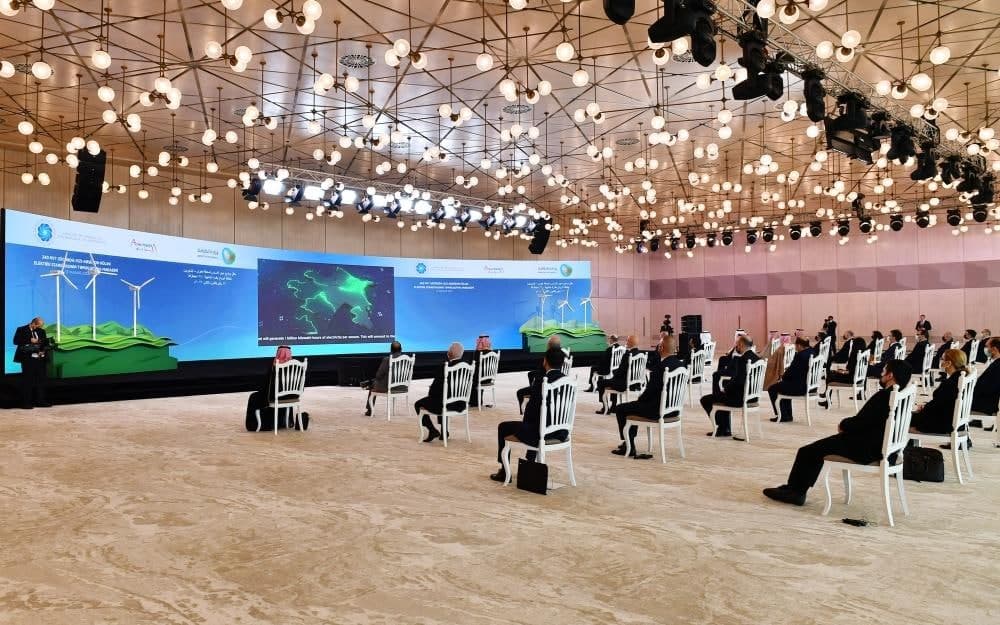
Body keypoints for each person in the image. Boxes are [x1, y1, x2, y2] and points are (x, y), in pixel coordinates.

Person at [762, 360, 913, 506]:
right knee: (814, 449)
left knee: (807, 451)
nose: (881, 373)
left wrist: (844, 424)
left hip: (866, 448)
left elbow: (861, 422)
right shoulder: (901, 396)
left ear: (890, 375)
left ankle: (796, 492)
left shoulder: (884, 396)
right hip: (882, 447)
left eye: (884, 370)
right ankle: (794, 488)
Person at [490, 346, 568, 482]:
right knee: (535, 422)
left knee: (504, 427)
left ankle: (504, 472)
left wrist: (526, 424)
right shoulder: (567, 381)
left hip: (542, 432)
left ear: (545, 361)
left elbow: (532, 409)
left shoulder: (542, 381)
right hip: (561, 431)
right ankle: (530, 460)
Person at [612, 336, 685, 457]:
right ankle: (629, 443)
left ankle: (628, 445)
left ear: (661, 348)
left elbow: (649, 392)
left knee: (621, 409)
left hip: (657, 410)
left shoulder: (660, 367)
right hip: (673, 411)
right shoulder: (681, 366)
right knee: (633, 407)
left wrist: (639, 401)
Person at [700, 335, 761, 438]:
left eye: (737, 344)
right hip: (751, 397)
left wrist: (726, 389)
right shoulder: (756, 358)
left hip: (739, 399)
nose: (736, 346)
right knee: (721, 396)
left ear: (741, 344)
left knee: (705, 400)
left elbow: (738, 381)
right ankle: (725, 428)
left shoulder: (743, 359)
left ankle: (721, 428)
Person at [244, 345, 309, 431]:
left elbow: (268, 386)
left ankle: (256, 425)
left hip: (275, 397)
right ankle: (284, 422)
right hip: (293, 397)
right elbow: (301, 388)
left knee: (254, 397)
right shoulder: (298, 367)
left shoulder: (276, 366)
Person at [910, 349, 970, 434]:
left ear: (948, 363)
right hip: (955, 421)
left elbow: (937, 405)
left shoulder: (950, 383)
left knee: (902, 419)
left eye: (942, 359)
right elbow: (941, 402)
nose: (941, 362)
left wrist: (923, 409)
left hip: (942, 424)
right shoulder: (962, 378)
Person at [416, 342, 467, 442]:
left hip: (446, 404)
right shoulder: (467, 367)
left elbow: (435, 389)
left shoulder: (445, 367)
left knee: (418, 404)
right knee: (442, 396)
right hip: (461, 403)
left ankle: (432, 430)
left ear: (449, 353)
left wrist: (431, 394)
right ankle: (444, 431)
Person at [768, 337, 812, 423]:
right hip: (808, 385)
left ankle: (782, 415)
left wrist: (783, 377)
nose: (795, 348)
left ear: (799, 346)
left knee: (772, 389)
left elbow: (791, 372)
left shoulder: (800, 355)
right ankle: (787, 415)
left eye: (796, 346)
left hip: (800, 387)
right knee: (784, 386)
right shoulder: (812, 352)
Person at [13, 317, 51, 409]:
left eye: (41, 326)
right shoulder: (21, 329)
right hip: (28, 359)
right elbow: (16, 341)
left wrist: (43, 350)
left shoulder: (41, 331)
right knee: (28, 381)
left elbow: (44, 343)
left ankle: (41, 401)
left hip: (40, 359)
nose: (39, 327)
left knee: (41, 380)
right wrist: (29, 340)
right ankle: (26, 403)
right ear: (33, 323)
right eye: (38, 325)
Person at [596, 335, 640, 414]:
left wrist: (614, 375)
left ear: (630, 343)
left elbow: (620, 371)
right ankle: (613, 407)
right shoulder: (639, 354)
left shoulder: (627, 354)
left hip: (624, 384)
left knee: (600, 382)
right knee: (613, 380)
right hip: (634, 384)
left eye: (627, 341)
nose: (626, 342)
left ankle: (605, 408)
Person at [517, 335, 561, 410]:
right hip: (552, 378)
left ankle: (522, 410)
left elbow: (544, 368)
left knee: (520, 392)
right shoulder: (560, 354)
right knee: (531, 374)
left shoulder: (549, 355)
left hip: (544, 382)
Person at [362, 341, 404, 416]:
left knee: (374, 384)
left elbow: (378, 375)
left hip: (388, 387)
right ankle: (368, 383)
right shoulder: (406, 359)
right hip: (401, 387)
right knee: (375, 381)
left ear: (391, 350)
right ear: (401, 349)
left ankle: (370, 410)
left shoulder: (387, 359)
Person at [971, 338, 1000, 417]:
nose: (985, 349)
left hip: (986, 405)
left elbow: (987, 388)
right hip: (987, 401)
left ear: (994, 349)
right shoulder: (996, 363)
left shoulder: (997, 365)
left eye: (987, 346)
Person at [468, 335, 496, 408]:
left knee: (469, 379)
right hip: (489, 378)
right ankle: (478, 401)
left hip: (479, 378)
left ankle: (473, 402)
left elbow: (473, 364)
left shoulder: (478, 353)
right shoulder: (492, 353)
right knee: (475, 378)